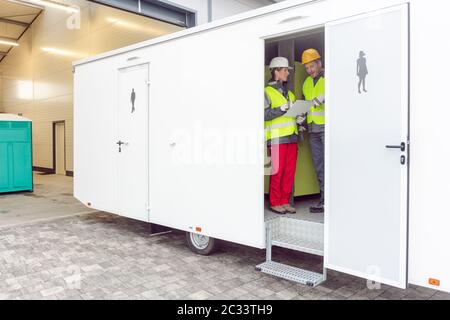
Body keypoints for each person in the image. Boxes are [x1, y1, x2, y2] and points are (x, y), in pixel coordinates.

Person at [265, 57, 299, 215]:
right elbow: (264, 114)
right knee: (278, 171)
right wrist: (282, 108)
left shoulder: (290, 93)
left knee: (289, 171)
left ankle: (285, 201)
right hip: (277, 137)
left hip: (292, 136)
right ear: (276, 72)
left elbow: (290, 114)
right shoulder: (267, 92)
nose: (287, 73)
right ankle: (275, 202)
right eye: (285, 70)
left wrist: (299, 119)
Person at [301, 49, 325, 213]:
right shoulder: (306, 83)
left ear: (319, 63)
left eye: (312, 66)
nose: (310, 70)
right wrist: (301, 118)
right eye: (307, 68)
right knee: (319, 165)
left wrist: (323, 97)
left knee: (332, 164)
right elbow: (306, 104)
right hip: (313, 129)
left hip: (327, 127)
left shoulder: (329, 79)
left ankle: (337, 199)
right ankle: (324, 200)